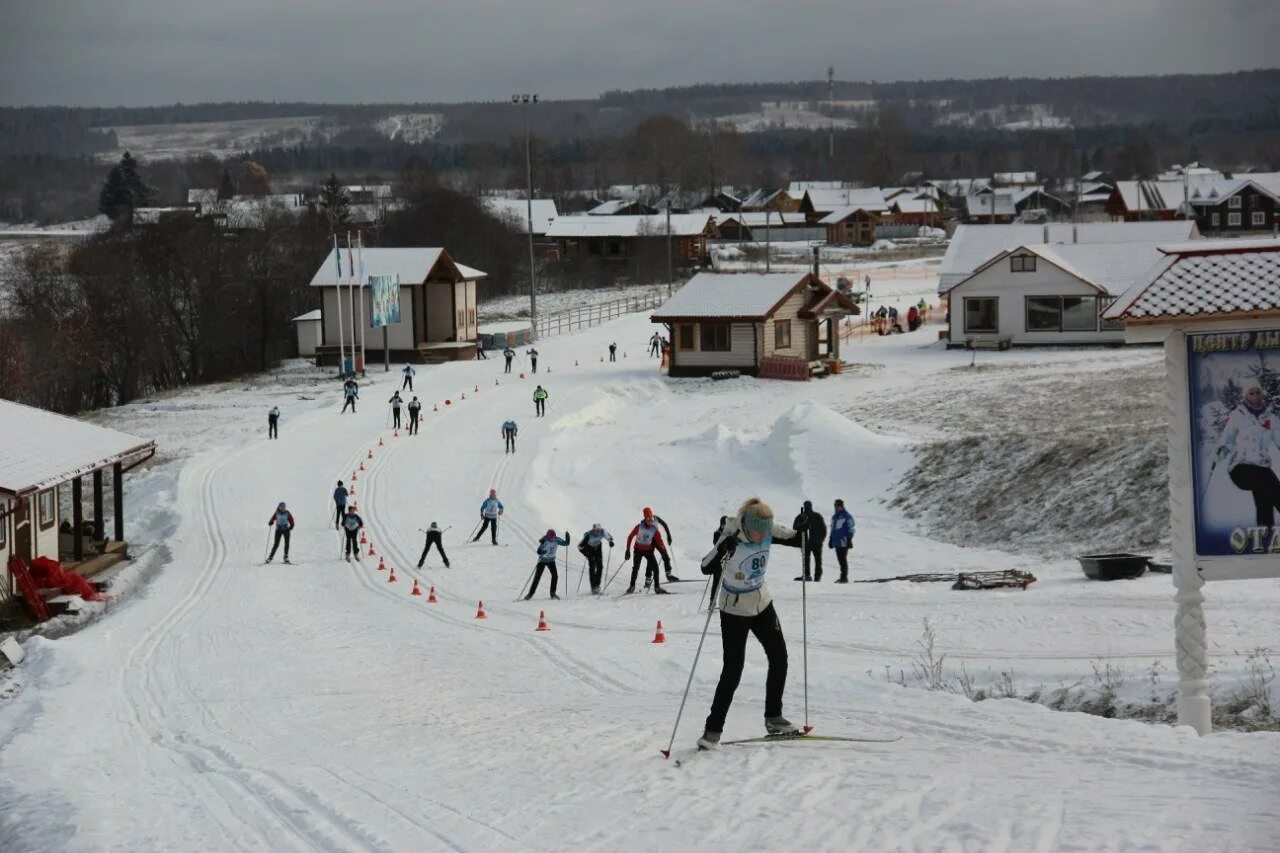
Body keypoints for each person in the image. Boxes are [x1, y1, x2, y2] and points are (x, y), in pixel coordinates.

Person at [696, 497, 807, 749]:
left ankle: (774, 718)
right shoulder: (731, 532)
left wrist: (803, 529)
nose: (763, 537)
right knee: (733, 670)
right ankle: (712, 730)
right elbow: (705, 566)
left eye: (766, 532)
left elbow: (799, 541)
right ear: (747, 524)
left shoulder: (767, 529)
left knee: (779, 657)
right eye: (758, 531)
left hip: (761, 602)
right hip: (734, 609)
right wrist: (725, 548)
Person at [1216, 377, 1280, 528]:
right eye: (1251, 393)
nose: (1256, 396)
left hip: (1262, 469)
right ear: (1245, 395)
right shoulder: (1238, 416)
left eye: (1258, 392)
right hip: (1240, 469)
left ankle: (1265, 531)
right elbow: (1227, 440)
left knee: (1264, 497)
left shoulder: (1270, 417)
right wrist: (1219, 453)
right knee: (1268, 480)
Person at [624, 509, 671, 594]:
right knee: (635, 568)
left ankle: (657, 588)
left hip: (648, 551)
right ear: (645, 518)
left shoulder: (654, 529)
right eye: (648, 518)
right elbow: (630, 537)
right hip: (638, 550)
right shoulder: (639, 527)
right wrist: (627, 550)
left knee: (656, 568)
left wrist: (663, 550)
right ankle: (632, 586)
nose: (650, 520)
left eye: (651, 519)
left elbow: (659, 540)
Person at [526, 529, 570, 600]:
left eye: (553, 538)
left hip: (551, 560)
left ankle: (553, 593)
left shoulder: (557, 540)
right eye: (550, 538)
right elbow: (538, 550)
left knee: (555, 576)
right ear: (547, 537)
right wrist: (542, 551)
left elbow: (566, 543)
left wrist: (568, 538)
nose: (552, 539)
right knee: (537, 577)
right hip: (542, 561)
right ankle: (530, 594)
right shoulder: (544, 541)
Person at [792, 500, 827, 582]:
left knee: (806, 559)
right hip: (815, 542)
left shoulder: (801, 516)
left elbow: (795, 527)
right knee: (817, 560)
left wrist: (801, 525)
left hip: (806, 541)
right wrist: (821, 539)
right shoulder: (817, 516)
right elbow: (824, 530)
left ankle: (807, 575)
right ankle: (817, 578)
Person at [578, 524, 615, 593]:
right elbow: (580, 547)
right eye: (596, 530)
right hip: (590, 549)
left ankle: (597, 586)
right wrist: (586, 554)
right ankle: (593, 587)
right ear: (593, 529)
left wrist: (610, 542)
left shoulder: (602, 531)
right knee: (592, 567)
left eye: (599, 530)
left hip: (598, 548)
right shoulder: (588, 535)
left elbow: (608, 537)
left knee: (600, 567)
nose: (598, 532)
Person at [829, 499, 855, 583]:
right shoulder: (834, 517)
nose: (836, 507)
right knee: (840, 559)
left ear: (841, 506)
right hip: (837, 542)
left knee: (842, 559)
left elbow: (851, 528)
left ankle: (844, 577)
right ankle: (843, 577)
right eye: (835, 506)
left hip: (844, 541)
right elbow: (833, 529)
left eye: (837, 506)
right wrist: (831, 539)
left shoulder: (846, 516)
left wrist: (849, 539)